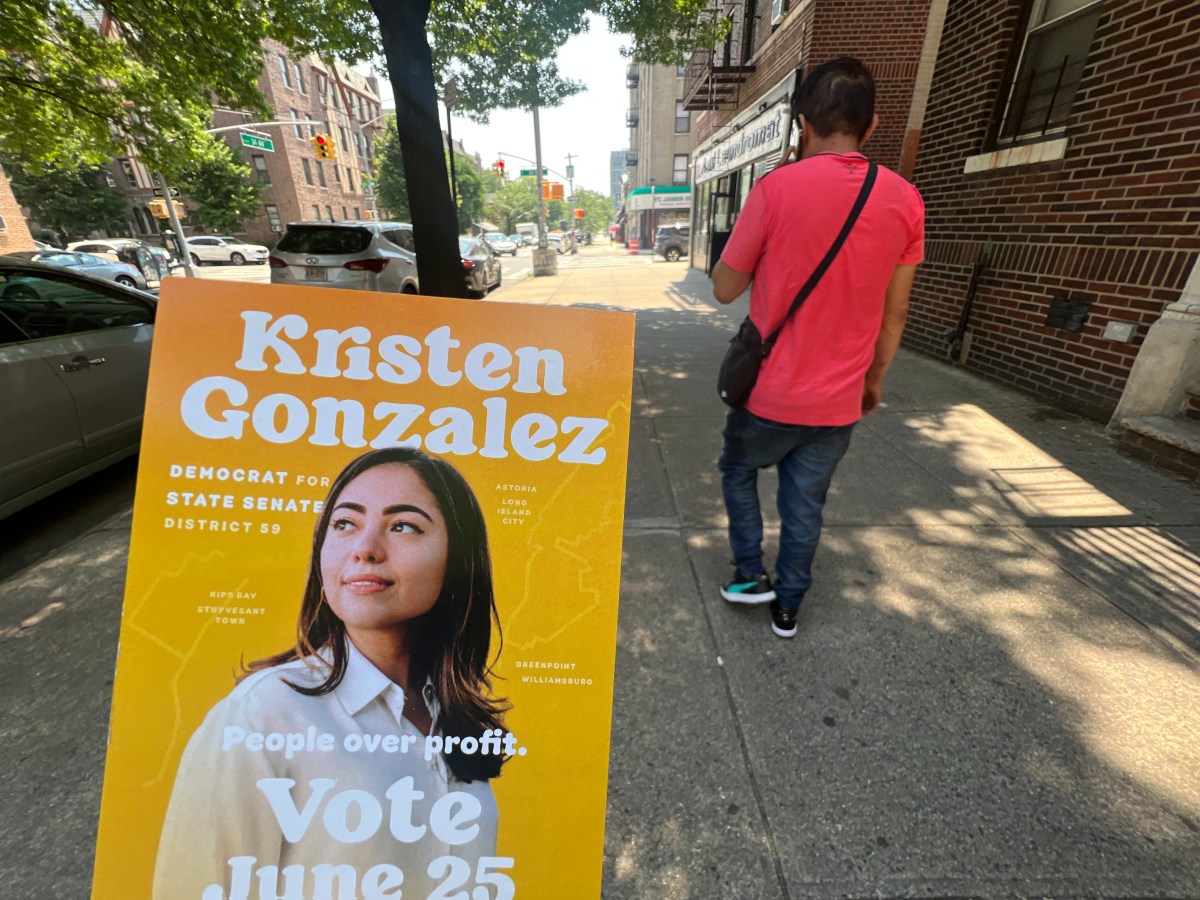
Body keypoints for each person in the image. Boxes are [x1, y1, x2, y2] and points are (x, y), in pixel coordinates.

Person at [154, 447, 509, 898]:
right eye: (345, 524)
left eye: (403, 525)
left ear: (458, 560)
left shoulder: (453, 716)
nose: (365, 549)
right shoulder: (264, 714)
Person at [712, 57, 924, 639]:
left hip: (768, 394)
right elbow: (895, 311)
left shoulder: (774, 188)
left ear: (801, 123)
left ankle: (751, 575)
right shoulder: (906, 200)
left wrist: (770, 210)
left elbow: (725, 286)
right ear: (873, 125)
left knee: (738, 470)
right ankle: (789, 606)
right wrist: (874, 380)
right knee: (806, 504)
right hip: (838, 401)